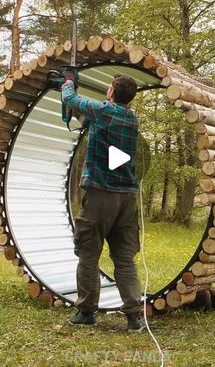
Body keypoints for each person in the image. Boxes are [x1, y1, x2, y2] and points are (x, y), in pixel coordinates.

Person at [61, 73, 144, 332]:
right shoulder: (131, 119)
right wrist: (74, 111)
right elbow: (87, 119)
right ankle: (134, 317)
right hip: (127, 199)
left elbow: (71, 98)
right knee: (125, 258)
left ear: (111, 92)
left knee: (87, 253)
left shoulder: (106, 111)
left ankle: (86, 312)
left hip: (100, 195)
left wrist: (66, 83)